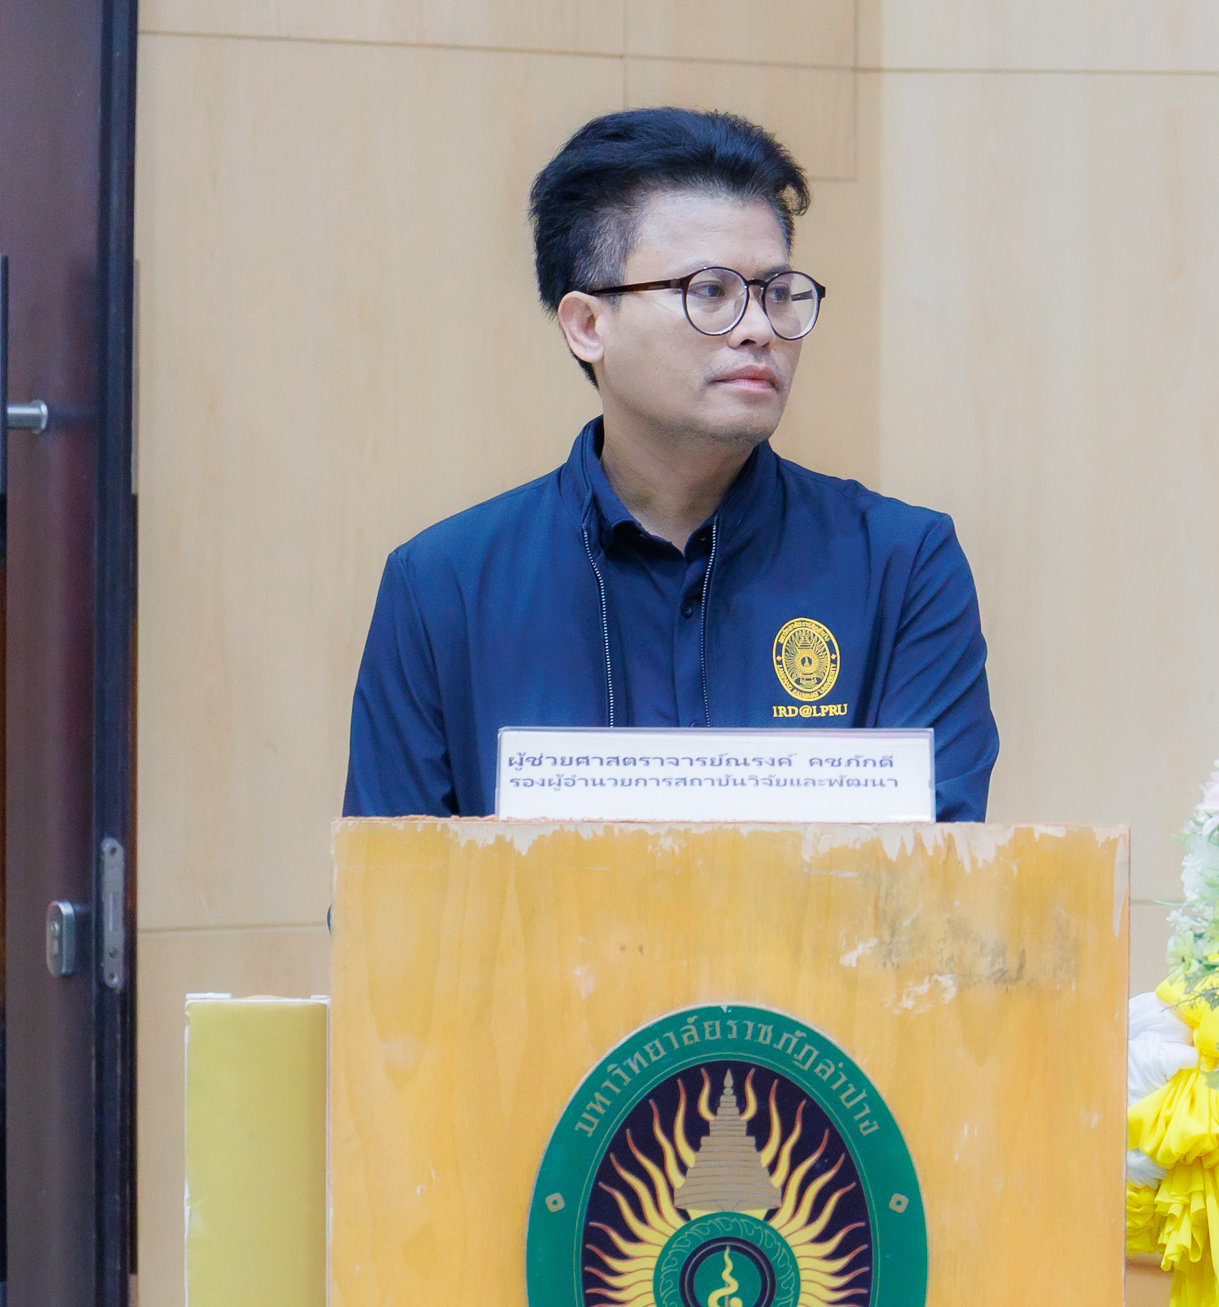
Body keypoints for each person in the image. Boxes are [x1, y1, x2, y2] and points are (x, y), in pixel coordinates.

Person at [342, 107, 999, 820]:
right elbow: (391, 882)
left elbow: (937, 872)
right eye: (710, 292)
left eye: (778, 294)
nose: (759, 329)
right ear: (588, 324)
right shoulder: (442, 587)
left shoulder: (903, 567)